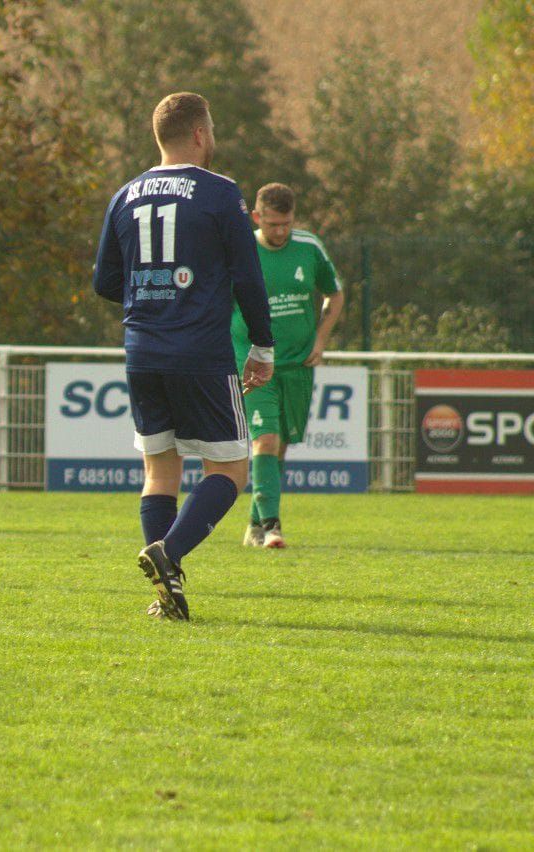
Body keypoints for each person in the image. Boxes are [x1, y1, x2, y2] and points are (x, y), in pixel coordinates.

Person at [92, 92, 275, 621]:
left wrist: (152, 298)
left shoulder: (125, 194)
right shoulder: (220, 193)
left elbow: (106, 281)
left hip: (141, 351)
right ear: (199, 133)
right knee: (231, 469)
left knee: (160, 470)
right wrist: (262, 347)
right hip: (199, 352)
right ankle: (168, 554)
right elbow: (247, 277)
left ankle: (165, 595)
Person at [235, 183, 344, 549]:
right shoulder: (241, 249)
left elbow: (335, 293)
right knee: (264, 440)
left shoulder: (309, 248)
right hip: (253, 364)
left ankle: (253, 525)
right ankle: (271, 527)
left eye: (286, 224)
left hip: (298, 364)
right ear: (257, 217)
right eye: (272, 224)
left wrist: (321, 338)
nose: (280, 232)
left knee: (279, 448)